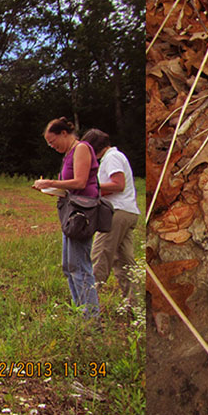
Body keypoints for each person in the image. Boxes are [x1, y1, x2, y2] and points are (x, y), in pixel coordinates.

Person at [32, 117, 100, 319]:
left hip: (82, 215)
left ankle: (91, 317)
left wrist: (51, 182)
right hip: (71, 213)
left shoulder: (81, 148)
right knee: (69, 266)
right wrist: (51, 189)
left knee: (79, 266)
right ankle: (80, 311)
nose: (52, 147)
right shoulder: (68, 154)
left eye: (53, 142)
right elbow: (70, 188)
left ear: (64, 133)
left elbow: (80, 182)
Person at [81, 129, 140, 304]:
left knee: (100, 257)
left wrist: (92, 189)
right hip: (128, 211)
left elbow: (118, 184)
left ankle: (87, 304)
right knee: (125, 262)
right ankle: (134, 305)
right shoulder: (115, 156)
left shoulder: (112, 157)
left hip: (117, 212)